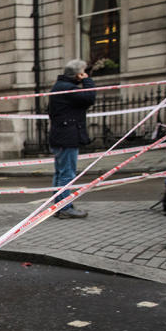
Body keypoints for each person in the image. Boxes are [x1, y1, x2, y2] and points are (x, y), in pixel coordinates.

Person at [47, 59, 96, 219]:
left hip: (61, 136)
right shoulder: (67, 88)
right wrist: (87, 80)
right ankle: (65, 207)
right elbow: (89, 98)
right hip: (67, 137)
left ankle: (59, 206)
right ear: (77, 74)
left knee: (60, 174)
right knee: (67, 174)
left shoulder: (60, 87)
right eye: (82, 72)